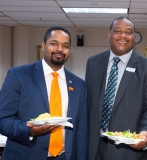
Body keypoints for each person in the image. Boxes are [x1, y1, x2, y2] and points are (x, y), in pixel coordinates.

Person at [0, 26, 88, 160]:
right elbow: (3, 119)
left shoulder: (79, 85)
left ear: (69, 50)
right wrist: (29, 130)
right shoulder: (18, 75)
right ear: (43, 45)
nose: (59, 49)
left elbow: (81, 132)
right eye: (54, 43)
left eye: (65, 45)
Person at [85, 16, 147, 160]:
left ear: (134, 36)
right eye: (117, 31)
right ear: (109, 34)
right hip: (94, 148)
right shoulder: (93, 63)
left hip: (130, 151)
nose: (123, 36)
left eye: (128, 32)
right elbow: (88, 103)